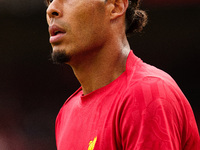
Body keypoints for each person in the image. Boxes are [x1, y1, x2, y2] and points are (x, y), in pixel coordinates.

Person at [46, 0, 200, 149]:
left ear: (116, 6)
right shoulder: (67, 113)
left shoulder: (147, 94)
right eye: (50, 0)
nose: (51, 8)